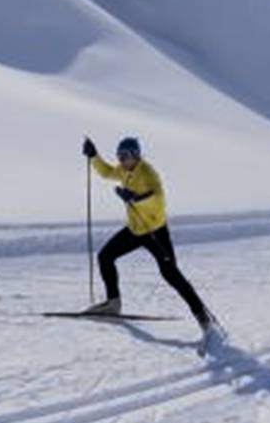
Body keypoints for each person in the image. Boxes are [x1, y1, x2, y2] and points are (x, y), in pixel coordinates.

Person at [81, 135, 212, 330]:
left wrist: (135, 197)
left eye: (125, 156)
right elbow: (107, 172)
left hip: (154, 231)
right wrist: (94, 156)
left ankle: (201, 314)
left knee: (170, 274)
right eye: (119, 156)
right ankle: (113, 303)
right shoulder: (125, 171)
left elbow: (157, 199)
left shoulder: (148, 173)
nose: (121, 161)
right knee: (105, 257)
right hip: (135, 229)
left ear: (136, 155)